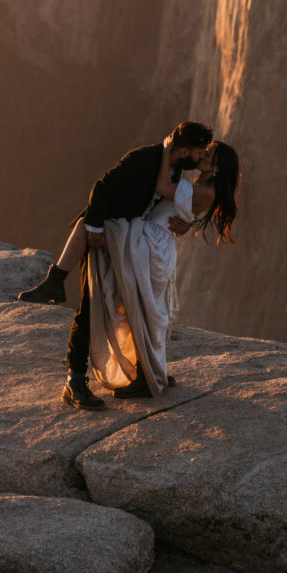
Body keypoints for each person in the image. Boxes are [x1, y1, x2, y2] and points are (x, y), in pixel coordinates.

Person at [17, 121, 214, 409]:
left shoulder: (176, 167)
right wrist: (95, 229)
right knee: (89, 308)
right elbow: (102, 188)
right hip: (104, 237)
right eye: (199, 152)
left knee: (132, 307)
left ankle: (146, 369)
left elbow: (172, 202)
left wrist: (188, 223)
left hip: (126, 240)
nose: (201, 157)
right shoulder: (143, 159)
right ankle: (74, 382)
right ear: (184, 150)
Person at [88, 135, 240, 399]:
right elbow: (182, 208)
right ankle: (152, 369)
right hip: (154, 244)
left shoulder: (206, 190)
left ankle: (146, 376)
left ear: (216, 167)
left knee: (137, 307)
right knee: (141, 308)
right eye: (205, 149)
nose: (203, 153)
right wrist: (188, 221)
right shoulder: (200, 184)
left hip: (151, 246)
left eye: (209, 154)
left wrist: (167, 150)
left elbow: (163, 186)